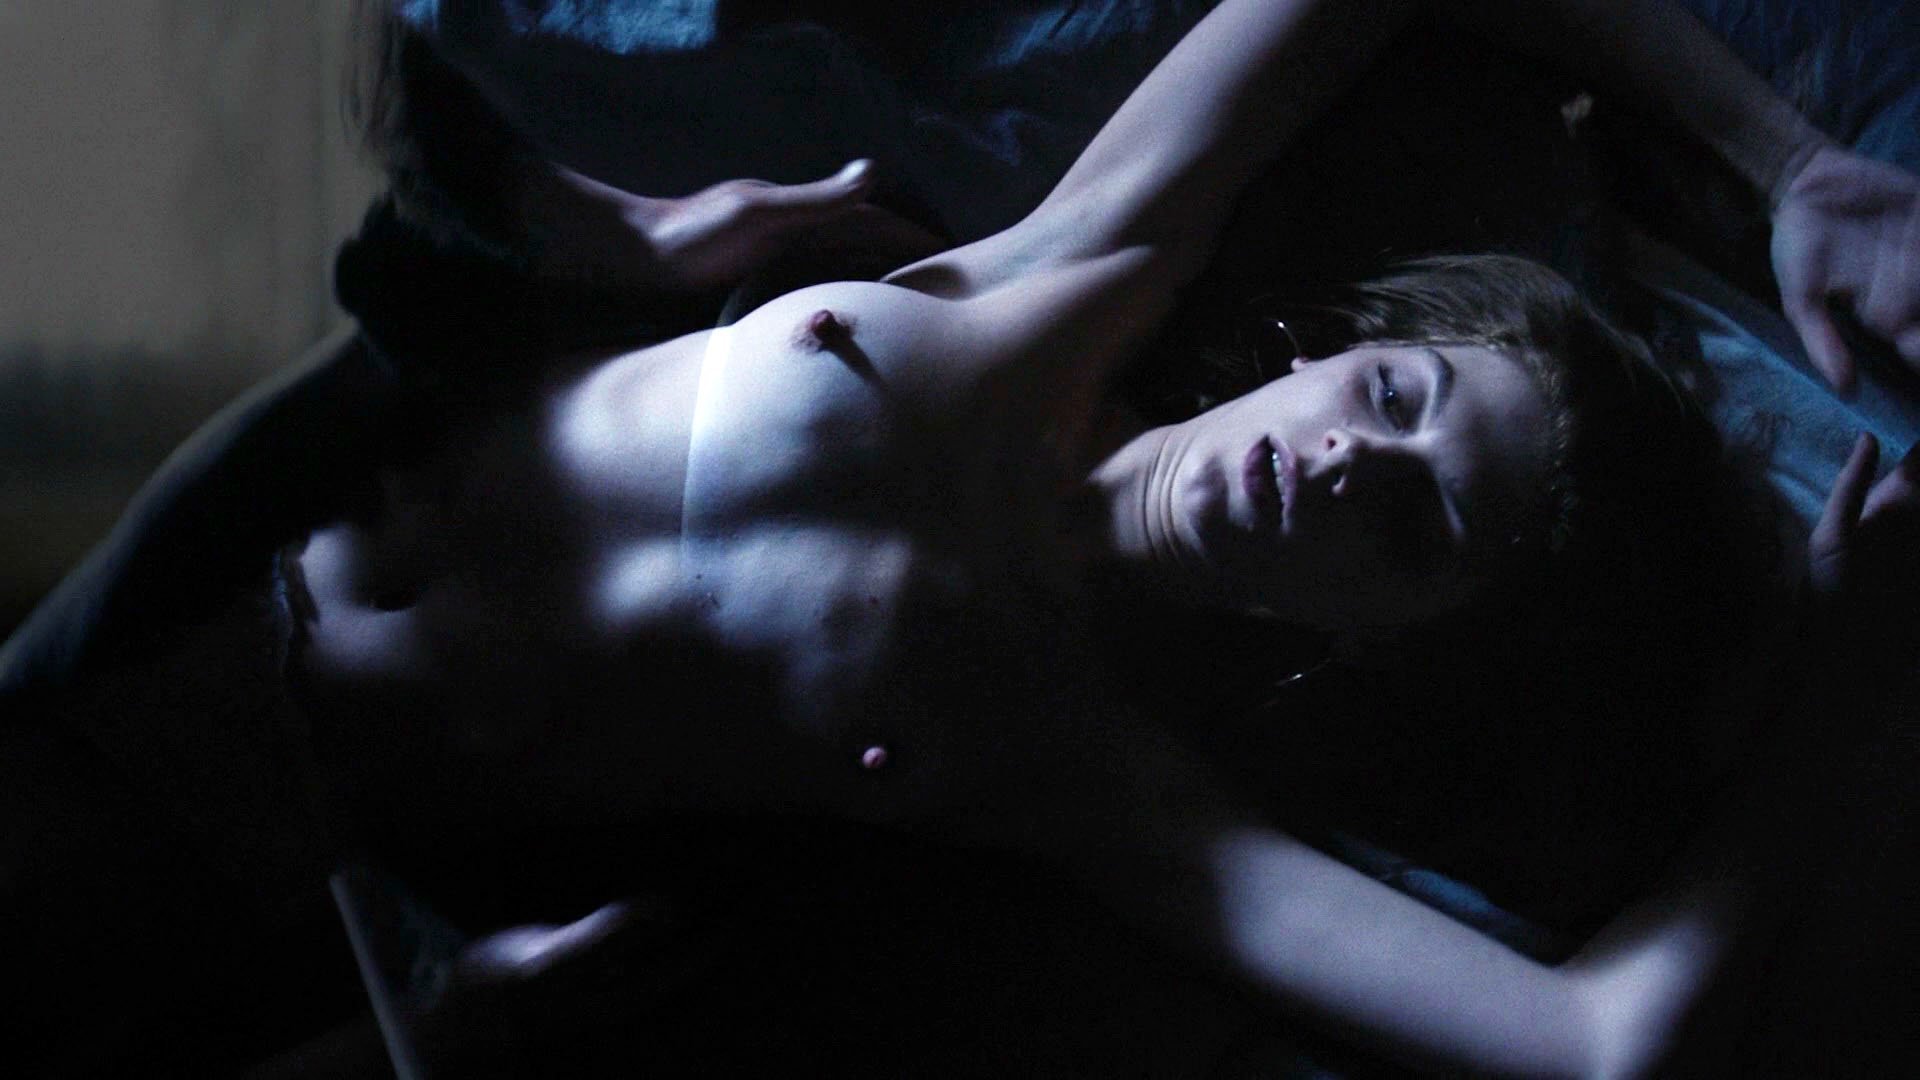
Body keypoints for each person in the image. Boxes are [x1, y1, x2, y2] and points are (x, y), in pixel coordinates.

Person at [4, 0, 1916, 1074]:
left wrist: (1843, 658)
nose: (1347, 464)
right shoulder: (1056, 285)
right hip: (219, 577)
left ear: (1377, 634)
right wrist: (1797, 169)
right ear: (1330, 353)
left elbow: (1607, 1047)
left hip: (312, 892)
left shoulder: (1085, 772)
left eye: (1412, 528)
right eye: (1393, 400)